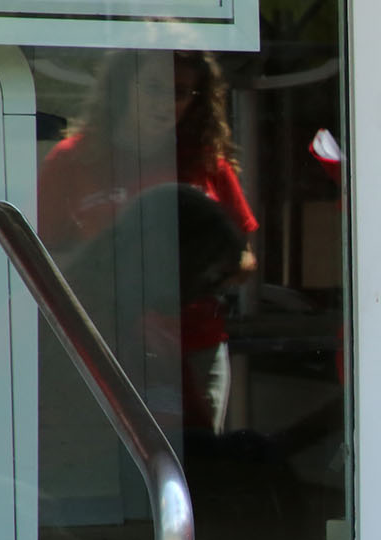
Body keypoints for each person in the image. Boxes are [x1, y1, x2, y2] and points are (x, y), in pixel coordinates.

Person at [38, 48, 258, 432]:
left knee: (195, 472)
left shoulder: (204, 161)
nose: (165, 104)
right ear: (124, 87)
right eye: (153, 88)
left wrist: (197, 271)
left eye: (180, 93)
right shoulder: (73, 159)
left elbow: (244, 258)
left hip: (192, 344)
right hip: (106, 348)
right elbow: (41, 260)